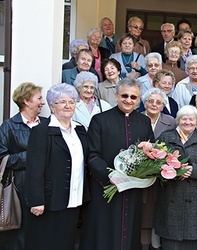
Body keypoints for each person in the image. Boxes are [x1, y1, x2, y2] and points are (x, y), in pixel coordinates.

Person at [79, 77, 154, 250]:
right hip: (105, 188)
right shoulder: (100, 120)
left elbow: (152, 152)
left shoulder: (144, 122)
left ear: (138, 99)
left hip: (133, 189)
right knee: (104, 232)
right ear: (116, 96)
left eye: (133, 97)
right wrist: (109, 176)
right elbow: (92, 154)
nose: (128, 100)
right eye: (124, 96)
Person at [25, 83, 89, 250]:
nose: (68, 106)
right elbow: (34, 168)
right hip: (49, 201)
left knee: (66, 243)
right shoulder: (41, 131)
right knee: (46, 243)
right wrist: (36, 200)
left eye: (72, 101)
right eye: (62, 102)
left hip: (74, 199)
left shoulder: (80, 130)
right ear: (52, 106)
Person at [155, 105, 197, 250]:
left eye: (191, 119)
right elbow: (156, 164)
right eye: (184, 119)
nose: (188, 122)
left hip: (195, 201)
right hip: (170, 196)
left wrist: (194, 170)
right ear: (178, 120)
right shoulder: (166, 137)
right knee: (170, 243)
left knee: (192, 243)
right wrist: (171, 170)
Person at [0, 82, 46, 250]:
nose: (43, 102)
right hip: (18, 190)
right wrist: (34, 156)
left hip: (44, 190)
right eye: (39, 98)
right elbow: (3, 159)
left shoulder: (47, 124)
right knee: (17, 238)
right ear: (26, 101)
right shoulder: (8, 127)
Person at [140, 88, 176, 249]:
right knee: (143, 215)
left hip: (162, 178)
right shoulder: (137, 119)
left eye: (158, 102)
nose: (154, 105)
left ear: (163, 106)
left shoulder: (171, 121)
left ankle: (156, 246)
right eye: (150, 101)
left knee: (158, 213)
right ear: (144, 103)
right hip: (140, 177)